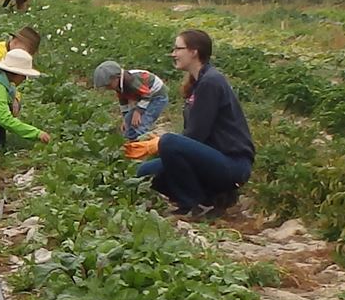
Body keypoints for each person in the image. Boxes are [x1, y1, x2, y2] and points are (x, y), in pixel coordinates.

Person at [138, 28, 255, 216]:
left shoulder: (211, 82)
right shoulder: (199, 82)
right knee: (144, 172)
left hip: (232, 164)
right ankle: (215, 195)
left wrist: (160, 143)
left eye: (178, 49)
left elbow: (196, 135)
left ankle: (198, 203)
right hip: (214, 157)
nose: (173, 54)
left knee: (169, 143)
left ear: (194, 52)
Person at [91, 60, 170, 141]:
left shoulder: (131, 80)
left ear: (116, 78)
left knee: (141, 124)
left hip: (157, 96)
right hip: (143, 98)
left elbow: (147, 94)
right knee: (129, 123)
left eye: (108, 85)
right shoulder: (119, 86)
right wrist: (125, 119)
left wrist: (138, 111)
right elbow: (123, 102)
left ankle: (141, 145)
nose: (108, 88)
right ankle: (131, 141)